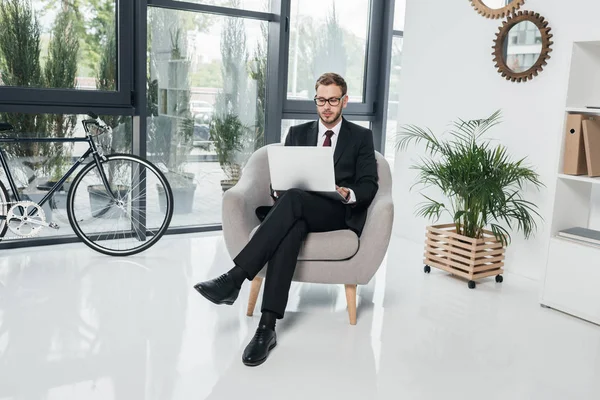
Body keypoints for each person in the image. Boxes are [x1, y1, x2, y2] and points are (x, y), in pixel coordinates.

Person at [193, 72, 379, 366]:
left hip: (335, 212)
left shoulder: (360, 137)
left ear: (344, 101)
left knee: (293, 201)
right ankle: (266, 328)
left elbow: (370, 184)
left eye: (332, 100)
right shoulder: (297, 133)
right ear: (315, 99)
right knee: (292, 222)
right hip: (297, 209)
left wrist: (348, 193)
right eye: (321, 100)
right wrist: (277, 189)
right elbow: (281, 180)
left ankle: (235, 277)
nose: (326, 107)